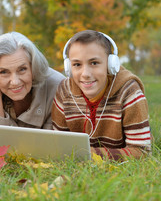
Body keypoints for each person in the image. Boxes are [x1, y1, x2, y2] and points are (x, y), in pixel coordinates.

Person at [52, 30, 151, 160]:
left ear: (111, 65)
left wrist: (88, 155)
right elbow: (58, 145)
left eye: (94, 63)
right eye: (77, 64)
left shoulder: (129, 92)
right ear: (68, 68)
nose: (85, 73)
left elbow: (141, 152)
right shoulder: (64, 92)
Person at [0, 32, 64, 137]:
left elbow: (51, 142)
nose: (15, 82)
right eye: (4, 72)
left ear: (33, 67)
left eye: (22, 69)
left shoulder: (57, 86)